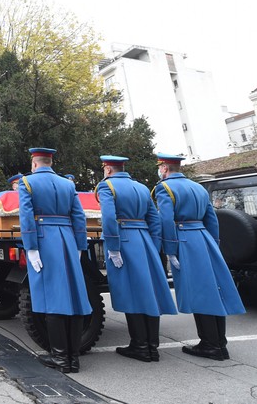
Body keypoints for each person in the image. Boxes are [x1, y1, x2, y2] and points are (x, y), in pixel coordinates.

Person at [154, 152, 245, 361]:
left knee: (200, 293)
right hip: (204, 239)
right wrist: (213, 244)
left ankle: (210, 345)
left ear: (165, 168)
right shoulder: (198, 187)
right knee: (212, 291)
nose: (160, 171)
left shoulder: (164, 188)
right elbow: (211, 218)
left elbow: (166, 221)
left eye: (160, 167)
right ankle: (219, 343)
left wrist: (170, 250)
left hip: (185, 241)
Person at [96, 155, 177, 362]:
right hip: (145, 241)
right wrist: (154, 245)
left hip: (124, 241)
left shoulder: (107, 187)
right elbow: (155, 220)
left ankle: (140, 345)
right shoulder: (142, 188)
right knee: (149, 292)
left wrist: (113, 247)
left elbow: (108, 218)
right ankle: (152, 346)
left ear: (107, 169)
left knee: (132, 293)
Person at [18, 148, 91, 373]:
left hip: (44, 241)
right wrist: (80, 245)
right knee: (74, 298)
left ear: (34, 163)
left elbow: (26, 216)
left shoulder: (27, 183)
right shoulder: (68, 185)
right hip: (67, 240)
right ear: (50, 162)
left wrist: (30, 247)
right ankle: (73, 358)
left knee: (53, 299)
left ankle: (60, 358)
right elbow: (79, 216)